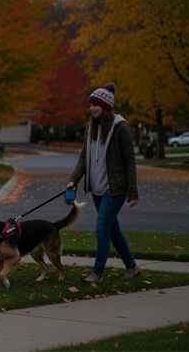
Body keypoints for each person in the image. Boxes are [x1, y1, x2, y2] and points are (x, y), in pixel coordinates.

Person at [67, 82, 140, 284]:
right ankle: (132, 267)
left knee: (102, 228)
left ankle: (97, 273)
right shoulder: (91, 128)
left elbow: (130, 162)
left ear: (105, 106)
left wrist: (133, 193)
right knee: (113, 230)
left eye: (94, 105)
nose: (91, 108)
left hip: (114, 188)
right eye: (90, 105)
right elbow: (84, 158)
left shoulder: (121, 129)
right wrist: (74, 180)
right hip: (97, 188)